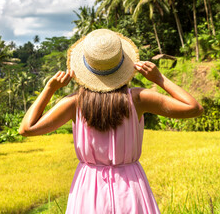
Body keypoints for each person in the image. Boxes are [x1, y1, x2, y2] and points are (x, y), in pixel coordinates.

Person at [19, 29, 203, 213]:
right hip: (131, 186)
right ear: (122, 64)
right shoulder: (138, 99)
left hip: (89, 188)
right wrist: (159, 78)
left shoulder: (75, 103)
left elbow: (27, 128)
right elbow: (194, 108)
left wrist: (50, 88)